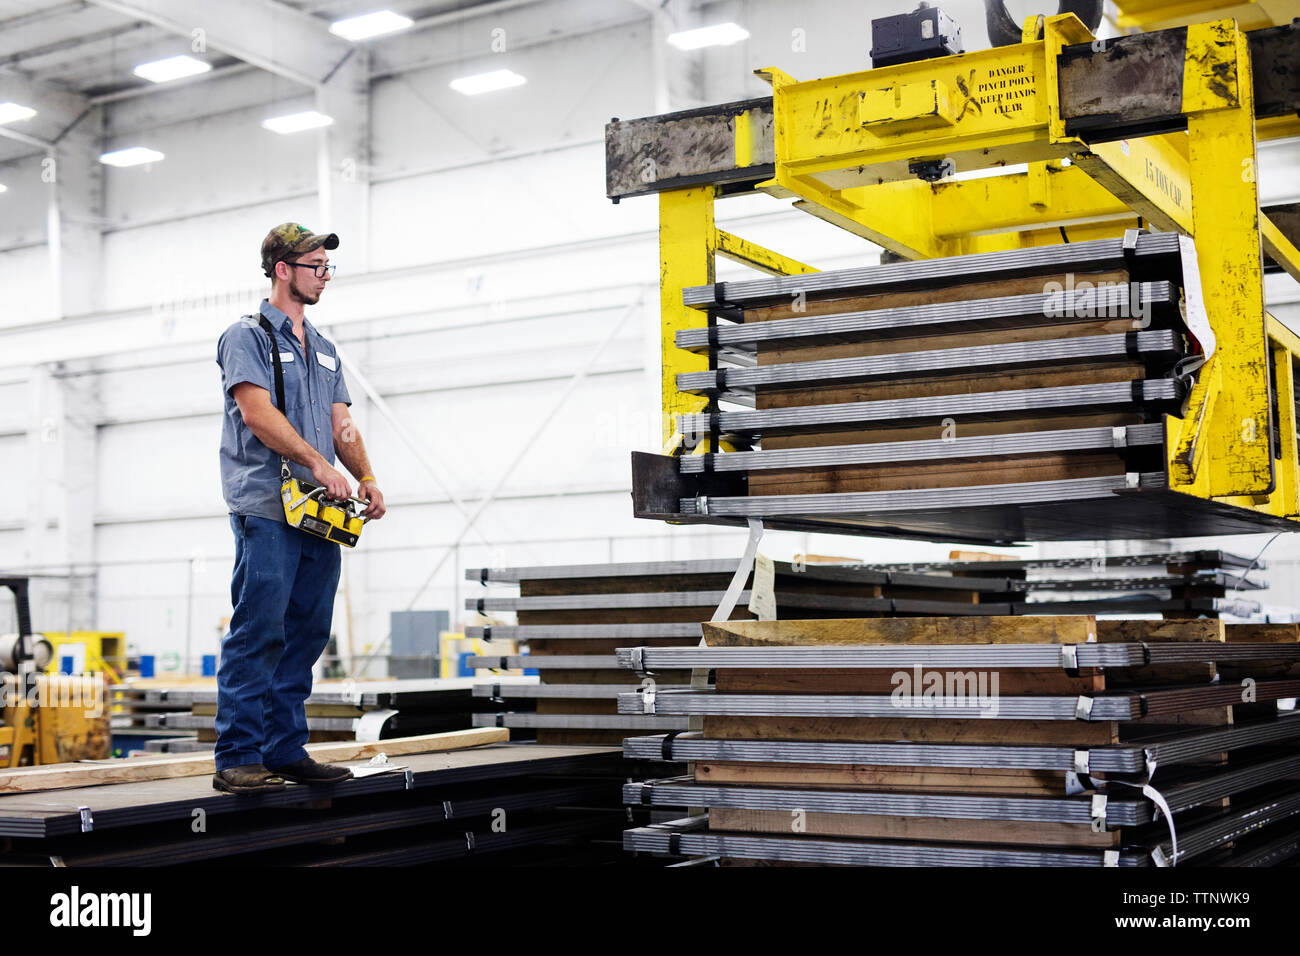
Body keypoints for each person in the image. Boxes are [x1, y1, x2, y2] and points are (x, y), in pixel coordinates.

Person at [212, 222, 387, 794]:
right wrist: (318, 463)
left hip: (323, 510)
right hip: (268, 504)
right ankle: (237, 756)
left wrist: (365, 474)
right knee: (259, 627)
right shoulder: (247, 337)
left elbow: (343, 423)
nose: (325, 276)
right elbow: (258, 415)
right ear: (282, 270)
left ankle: (283, 749)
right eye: (316, 266)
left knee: (308, 630)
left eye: (327, 267)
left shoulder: (327, 350)